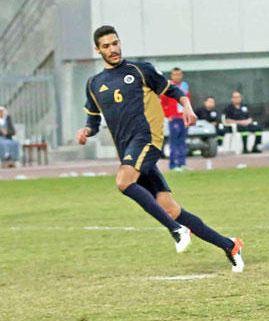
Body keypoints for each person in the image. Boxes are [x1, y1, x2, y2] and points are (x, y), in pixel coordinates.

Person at [77, 26, 244, 271]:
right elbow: (93, 120)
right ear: (97, 50)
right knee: (171, 208)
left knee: (123, 182)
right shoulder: (94, 84)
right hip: (127, 150)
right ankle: (229, 245)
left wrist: (187, 106)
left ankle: (177, 231)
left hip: (147, 139)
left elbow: (174, 90)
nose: (113, 49)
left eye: (115, 43)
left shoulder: (140, 70)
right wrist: (86, 131)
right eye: (106, 46)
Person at [160, 68, 190, 171]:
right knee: (174, 143)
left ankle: (182, 164)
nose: (177, 77)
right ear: (172, 76)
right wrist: (168, 115)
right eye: (175, 75)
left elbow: (188, 101)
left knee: (182, 142)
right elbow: (162, 103)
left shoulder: (185, 86)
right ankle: (173, 165)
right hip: (174, 119)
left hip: (183, 118)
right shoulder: (168, 87)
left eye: (179, 74)